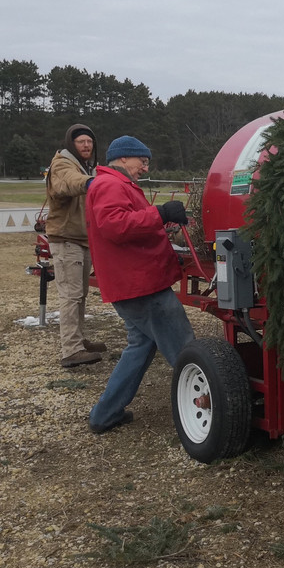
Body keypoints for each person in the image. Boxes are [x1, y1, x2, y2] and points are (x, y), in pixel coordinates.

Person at [85, 135, 194, 434]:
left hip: (132, 284)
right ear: (122, 158)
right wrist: (161, 213)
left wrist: (162, 225)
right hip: (142, 287)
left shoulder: (115, 184)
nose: (144, 168)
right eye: (141, 162)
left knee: (140, 348)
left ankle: (104, 415)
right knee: (188, 350)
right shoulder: (110, 185)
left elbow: (132, 223)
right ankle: (213, 404)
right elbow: (116, 226)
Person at [45, 124, 106, 368]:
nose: (86, 145)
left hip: (80, 238)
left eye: (89, 142)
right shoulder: (62, 164)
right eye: (81, 141)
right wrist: (93, 183)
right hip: (66, 238)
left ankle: (78, 341)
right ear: (72, 144)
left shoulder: (84, 167)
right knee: (70, 295)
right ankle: (71, 350)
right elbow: (68, 184)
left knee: (80, 294)